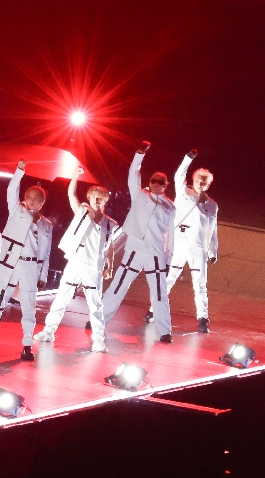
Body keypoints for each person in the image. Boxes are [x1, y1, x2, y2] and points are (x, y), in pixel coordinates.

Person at [103, 141, 192, 343]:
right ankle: (100, 319)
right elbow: (133, 173)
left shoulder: (170, 207)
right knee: (118, 285)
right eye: (154, 180)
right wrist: (139, 154)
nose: (157, 184)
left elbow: (171, 236)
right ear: (150, 181)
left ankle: (164, 331)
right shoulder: (139, 194)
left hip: (155, 253)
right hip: (134, 249)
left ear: (166, 185)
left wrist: (168, 260)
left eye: (161, 182)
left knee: (159, 293)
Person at [33, 171, 118, 353]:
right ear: (90, 197)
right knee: (61, 298)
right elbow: (71, 194)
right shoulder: (82, 213)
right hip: (76, 261)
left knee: (95, 305)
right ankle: (49, 331)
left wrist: (109, 265)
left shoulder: (109, 224)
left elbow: (109, 245)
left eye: (100, 198)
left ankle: (98, 339)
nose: (97, 200)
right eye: (94, 196)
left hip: (93, 267)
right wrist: (76, 176)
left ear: (104, 200)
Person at [0, 161, 54, 362]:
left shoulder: (46, 225)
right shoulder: (17, 210)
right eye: (29, 197)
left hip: (30, 266)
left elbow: (46, 251)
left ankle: (26, 346)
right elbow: (11, 189)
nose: (32, 201)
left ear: (42, 203)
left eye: (36, 199)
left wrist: (43, 274)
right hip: (10, 263)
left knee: (28, 307)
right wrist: (19, 171)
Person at [166, 158, 218, 333]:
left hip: (198, 248)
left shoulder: (212, 205)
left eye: (204, 183)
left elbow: (212, 229)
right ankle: (154, 310)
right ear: (193, 181)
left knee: (200, 284)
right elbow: (178, 174)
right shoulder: (184, 192)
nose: (201, 184)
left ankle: (203, 318)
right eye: (198, 181)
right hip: (180, 244)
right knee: (169, 278)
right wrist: (188, 159)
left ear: (208, 185)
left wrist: (213, 251)